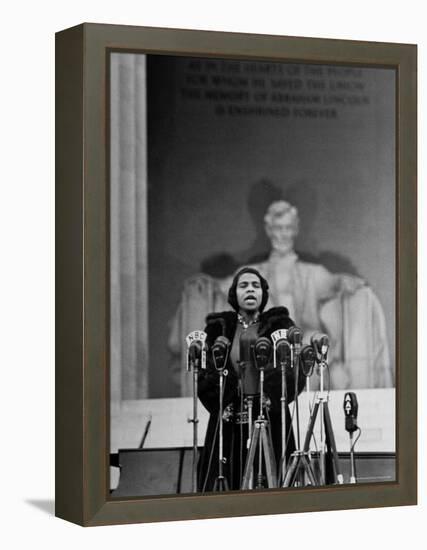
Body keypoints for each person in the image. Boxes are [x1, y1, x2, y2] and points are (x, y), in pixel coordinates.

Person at [169, 200, 392, 393]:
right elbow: (225, 286)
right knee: (253, 345)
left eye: (287, 228)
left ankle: (303, 404)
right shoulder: (255, 271)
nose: (282, 234)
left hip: (300, 341)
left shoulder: (309, 272)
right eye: (277, 228)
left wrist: (347, 282)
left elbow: (333, 283)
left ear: (295, 230)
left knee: (308, 343)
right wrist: (206, 284)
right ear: (268, 230)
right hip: (263, 342)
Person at [197, 267, 305, 492]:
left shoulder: (281, 325)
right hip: (229, 418)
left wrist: (272, 398)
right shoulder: (218, 328)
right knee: (226, 481)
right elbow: (205, 373)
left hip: (270, 416)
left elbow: (295, 372)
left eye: (255, 286)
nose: (250, 290)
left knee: (273, 481)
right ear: (233, 293)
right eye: (243, 285)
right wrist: (221, 403)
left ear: (263, 293)